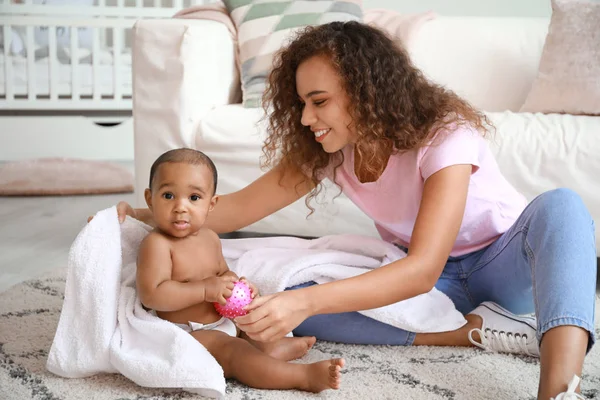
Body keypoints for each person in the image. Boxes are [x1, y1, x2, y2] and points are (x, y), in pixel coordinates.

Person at [105, 22, 596, 399]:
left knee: (562, 206)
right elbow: (229, 212)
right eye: (300, 103)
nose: (305, 118)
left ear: (367, 93)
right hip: (434, 282)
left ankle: (558, 389)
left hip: (500, 263)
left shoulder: (446, 137)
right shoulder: (331, 151)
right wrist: (131, 218)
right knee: (285, 297)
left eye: (318, 101)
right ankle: (472, 331)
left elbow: (421, 270)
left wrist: (305, 305)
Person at [134, 148, 345, 393]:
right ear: (150, 199)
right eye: (169, 195)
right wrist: (204, 290)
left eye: (194, 198)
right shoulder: (157, 244)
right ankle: (303, 377)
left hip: (222, 320)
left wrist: (234, 283)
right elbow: (153, 294)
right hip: (188, 334)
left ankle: (271, 349)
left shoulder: (210, 238)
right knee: (236, 352)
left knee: (254, 325)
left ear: (211, 204)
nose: (181, 207)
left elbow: (222, 271)